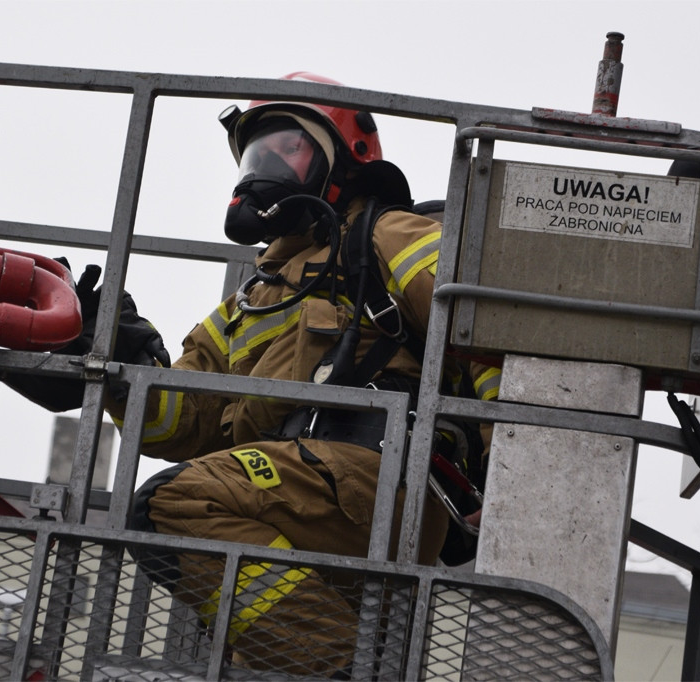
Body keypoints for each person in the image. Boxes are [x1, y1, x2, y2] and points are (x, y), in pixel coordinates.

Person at [87, 73, 498, 677]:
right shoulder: (250, 300)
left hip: (381, 481)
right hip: (290, 499)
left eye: (289, 147)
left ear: (341, 161)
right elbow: (177, 423)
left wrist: (505, 478)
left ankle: (341, 671)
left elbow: (487, 335)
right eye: (258, 153)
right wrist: (125, 365)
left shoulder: (387, 234)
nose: (268, 165)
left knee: (169, 505)